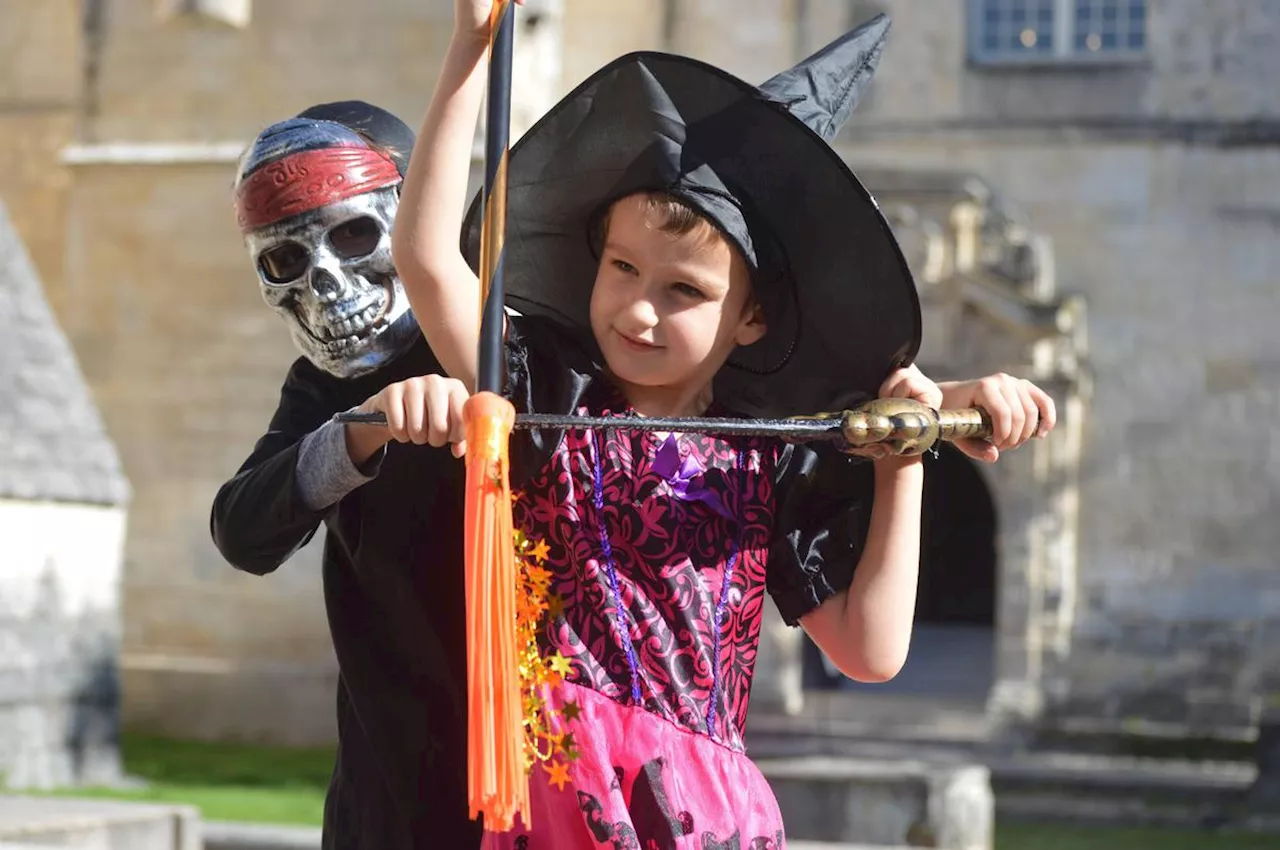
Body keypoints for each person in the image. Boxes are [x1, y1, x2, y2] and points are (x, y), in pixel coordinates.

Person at [387, 4, 1057, 846]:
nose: (638, 308)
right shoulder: (550, 391)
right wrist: (471, 49)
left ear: (750, 318)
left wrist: (907, 453)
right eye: (622, 268)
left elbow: (869, 650)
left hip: (697, 817)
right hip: (557, 801)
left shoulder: (769, 460)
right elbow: (424, 257)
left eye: (684, 291)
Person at [210, 101, 482, 849]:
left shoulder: (502, 345)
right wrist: (365, 427)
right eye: (286, 261)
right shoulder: (323, 388)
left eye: (355, 236)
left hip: (536, 762)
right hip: (390, 792)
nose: (326, 284)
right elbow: (242, 529)